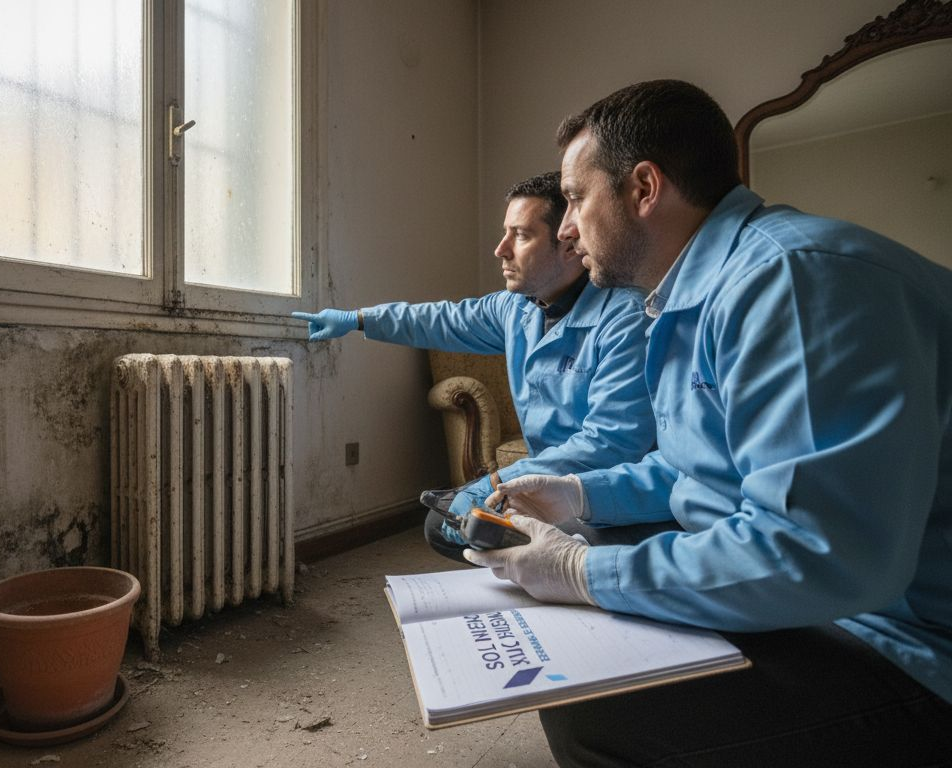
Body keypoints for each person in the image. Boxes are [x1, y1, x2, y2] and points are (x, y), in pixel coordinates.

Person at [467, 79, 952, 765]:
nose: (567, 229)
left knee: (595, 714)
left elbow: (817, 552)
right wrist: (580, 495)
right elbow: (707, 462)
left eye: (575, 199)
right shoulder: (691, 293)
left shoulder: (792, 280)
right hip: (851, 599)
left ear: (644, 188)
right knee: (593, 553)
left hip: (911, 643)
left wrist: (580, 572)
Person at [293, 172, 657, 562]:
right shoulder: (517, 307)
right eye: (505, 233)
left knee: (514, 532)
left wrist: (498, 482)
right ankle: (563, 563)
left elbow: (610, 444)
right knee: (446, 525)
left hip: (604, 490)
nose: (500, 249)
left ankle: (590, 561)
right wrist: (359, 318)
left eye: (520, 236)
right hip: (541, 486)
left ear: (569, 244)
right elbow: (442, 319)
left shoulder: (625, 317)